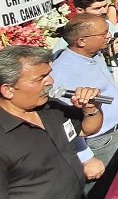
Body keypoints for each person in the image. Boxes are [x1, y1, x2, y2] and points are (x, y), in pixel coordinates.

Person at [0, 46, 103, 198]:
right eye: (40, 78)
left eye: (49, 75)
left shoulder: (51, 107)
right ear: (7, 90)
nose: (51, 82)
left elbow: (87, 129)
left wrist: (90, 109)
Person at [52, 14, 118, 198]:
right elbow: (65, 123)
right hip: (98, 144)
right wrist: (86, 158)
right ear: (81, 41)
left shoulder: (95, 55)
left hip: (117, 132)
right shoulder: (62, 73)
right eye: (103, 34)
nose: (108, 37)